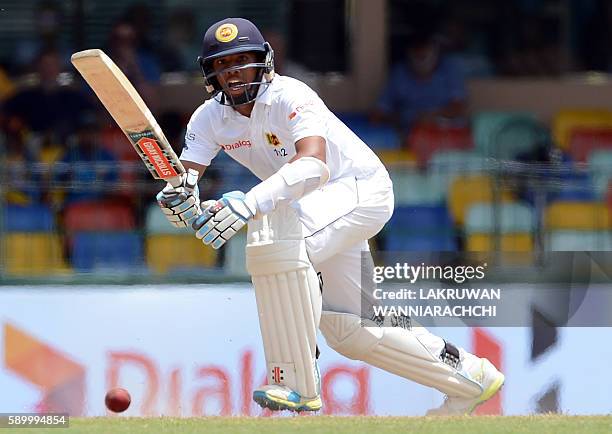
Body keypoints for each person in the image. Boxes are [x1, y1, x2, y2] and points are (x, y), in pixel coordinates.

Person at [156, 18, 504, 415]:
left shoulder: (291, 95)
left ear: (263, 61)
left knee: (279, 242)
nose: (232, 70)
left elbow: (313, 166)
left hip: (359, 190)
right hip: (313, 210)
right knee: (352, 329)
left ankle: (297, 384)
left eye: (242, 60)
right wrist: (180, 204)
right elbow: (185, 181)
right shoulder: (208, 118)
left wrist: (248, 204)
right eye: (222, 64)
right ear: (210, 73)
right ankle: (470, 376)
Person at [370, 30, 467, 134]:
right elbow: (377, 114)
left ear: (436, 54)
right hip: (410, 134)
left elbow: (458, 107)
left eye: (424, 57)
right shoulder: (399, 74)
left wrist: (431, 116)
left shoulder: (449, 69)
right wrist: (406, 118)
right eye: (416, 56)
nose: (420, 62)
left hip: (447, 134)